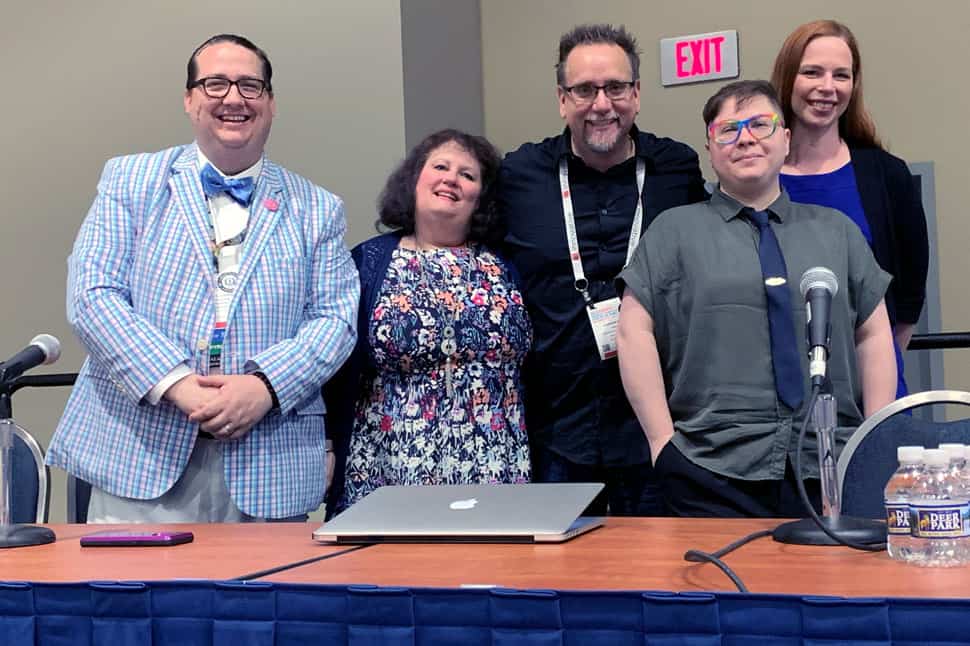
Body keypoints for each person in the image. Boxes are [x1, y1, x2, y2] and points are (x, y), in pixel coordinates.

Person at [47, 34, 359, 522]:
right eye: (215, 84)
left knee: (264, 599)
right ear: (190, 99)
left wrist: (264, 387)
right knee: (134, 597)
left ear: (271, 104)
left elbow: (336, 320)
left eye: (250, 86)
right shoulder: (129, 179)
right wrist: (176, 384)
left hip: (268, 462)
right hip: (141, 453)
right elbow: (93, 296)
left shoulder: (318, 208)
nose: (233, 98)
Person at [616, 80, 897, 517]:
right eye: (728, 129)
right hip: (709, 467)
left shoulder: (836, 231)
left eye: (760, 125)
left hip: (830, 463)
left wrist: (873, 442)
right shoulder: (673, 232)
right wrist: (661, 443)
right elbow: (633, 331)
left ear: (785, 140)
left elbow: (874, 333)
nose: (745, 138)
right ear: (710, 148)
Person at [498, 24, 707, 516]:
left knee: (657, 577)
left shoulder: (677, 169)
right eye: (584, 90)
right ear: (561, 99)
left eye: (615, 87)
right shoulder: (519, 175)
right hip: (554, 429)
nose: (601, 104)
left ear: (636, 93)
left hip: (658, 426)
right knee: (560, 582)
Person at [324, 129, 532, 516]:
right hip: (389, 470)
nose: (451, 178)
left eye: (468, 175)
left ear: (481, 198)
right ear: (414, 179)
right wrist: (328, 444)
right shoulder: (368, 262)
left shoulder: (508, 265)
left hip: (494, 466)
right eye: (440, 166)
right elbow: (336, 366)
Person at [771, 19, 929, 399]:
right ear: (788, 76)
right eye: (812, 72)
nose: (827, 87)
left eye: (841, 75)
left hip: (870, 390)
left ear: (853, 86)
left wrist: (874, 366)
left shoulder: (886, 175)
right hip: (776, 391)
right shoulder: (757, 174)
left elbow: (906, 302)